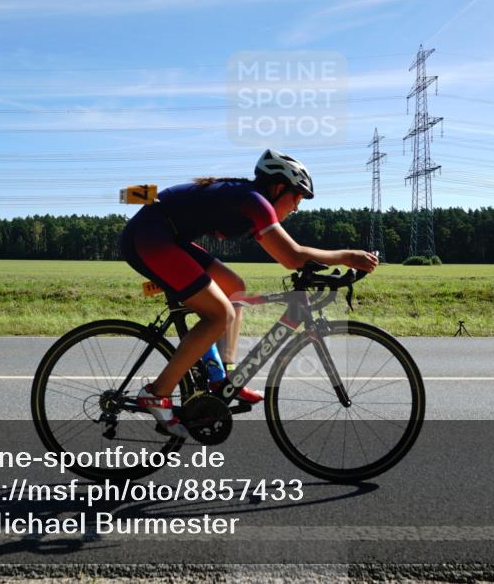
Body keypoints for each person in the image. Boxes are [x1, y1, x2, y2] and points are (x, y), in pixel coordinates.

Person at [119, 149, 378, 437]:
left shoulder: (250, 201)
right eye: (297, 198)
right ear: (280, 188)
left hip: (165, 235)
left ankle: (222, 378)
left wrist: (324, 264)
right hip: (151, 237)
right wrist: (347, 256)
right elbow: (292, 256)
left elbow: (286, 254)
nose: (296, 208)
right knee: (219, 314)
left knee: (234, 287)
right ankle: (157, 392)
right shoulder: (254, 201)